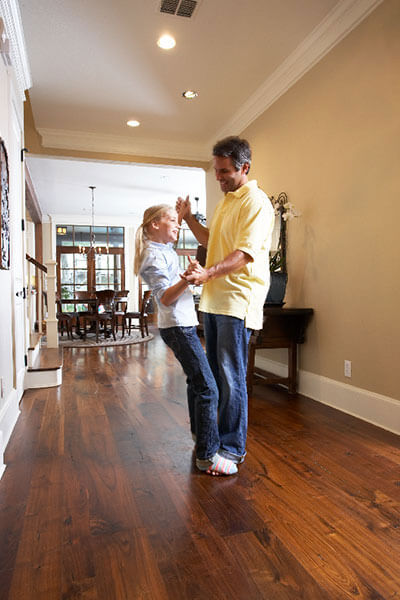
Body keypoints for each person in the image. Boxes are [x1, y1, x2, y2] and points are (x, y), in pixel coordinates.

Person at [177, 136, 274, 467]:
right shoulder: (226, 202)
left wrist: (209, 274)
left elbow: (244, 254)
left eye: (224, 172)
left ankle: (232, 449)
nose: (218, 178)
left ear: (244, 167)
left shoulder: (256, 203)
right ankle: (215, 440)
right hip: (214, 301)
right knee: (215, 377)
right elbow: (211, 239)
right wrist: (189, 218)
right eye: (216, 171)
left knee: (232, 378)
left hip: (236, 301)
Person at [134, 204, 238, 475]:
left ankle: (200, 437)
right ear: (154, 224)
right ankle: (207, 456)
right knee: (209, 388)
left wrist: (182, 216)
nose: (177, 227)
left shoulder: (162, 248)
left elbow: (174, 238)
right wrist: (187, 280)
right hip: (178, 325)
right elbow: (166, 298)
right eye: (171, 222)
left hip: (182, 324)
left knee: (197, 382)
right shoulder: (151, 256)